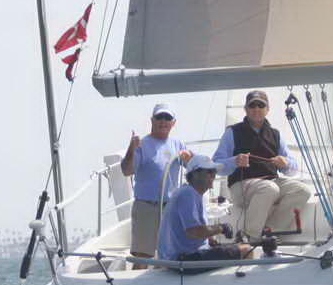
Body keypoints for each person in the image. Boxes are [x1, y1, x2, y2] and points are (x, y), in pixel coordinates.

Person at [212, 90, 311, 240]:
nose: (256, 109)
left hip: (271, 183)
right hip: (242, 185)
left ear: (267, 109)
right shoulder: (232, 132)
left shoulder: (275, 134)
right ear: (246, 109)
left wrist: (285, 163)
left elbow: (293, 168)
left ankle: (270, 232)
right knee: (269, 188)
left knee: (302, 190)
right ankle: (250, 236)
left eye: (261, 105)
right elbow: (216, 165)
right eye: (252, 105)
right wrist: (235, 161)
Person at [121, 103, 193, 269]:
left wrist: (190, 157)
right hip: (146, 207)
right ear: (152, 120)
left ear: (173, 123)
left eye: (167, 118)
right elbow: (126, 170)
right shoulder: (142, 144)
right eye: (159, 117)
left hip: (170, 208)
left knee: (168, 256)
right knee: (142, 258)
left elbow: (193, 166)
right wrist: (131, 149)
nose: (163, 121)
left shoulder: (178, 144)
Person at [158, 155, 252, 274]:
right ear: (195, 174)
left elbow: (195, 231)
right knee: (246, 249)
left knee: (238, 247)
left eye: (214, 172)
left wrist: (212, 241)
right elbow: (194, 231)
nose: (213, 176)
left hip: (179, 258)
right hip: (183, 261)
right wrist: (222, 228)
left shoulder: (192, 194)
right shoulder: (187, 194)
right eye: (209, 172)